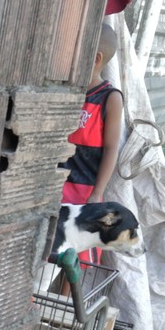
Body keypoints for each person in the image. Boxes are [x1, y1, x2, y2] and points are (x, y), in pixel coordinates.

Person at [62, 23, 124, 208]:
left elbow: (111, 149)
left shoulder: (109, 98)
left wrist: (97, 194)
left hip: (82, 196)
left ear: (96, 59)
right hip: (53, 187)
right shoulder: (63, 90)